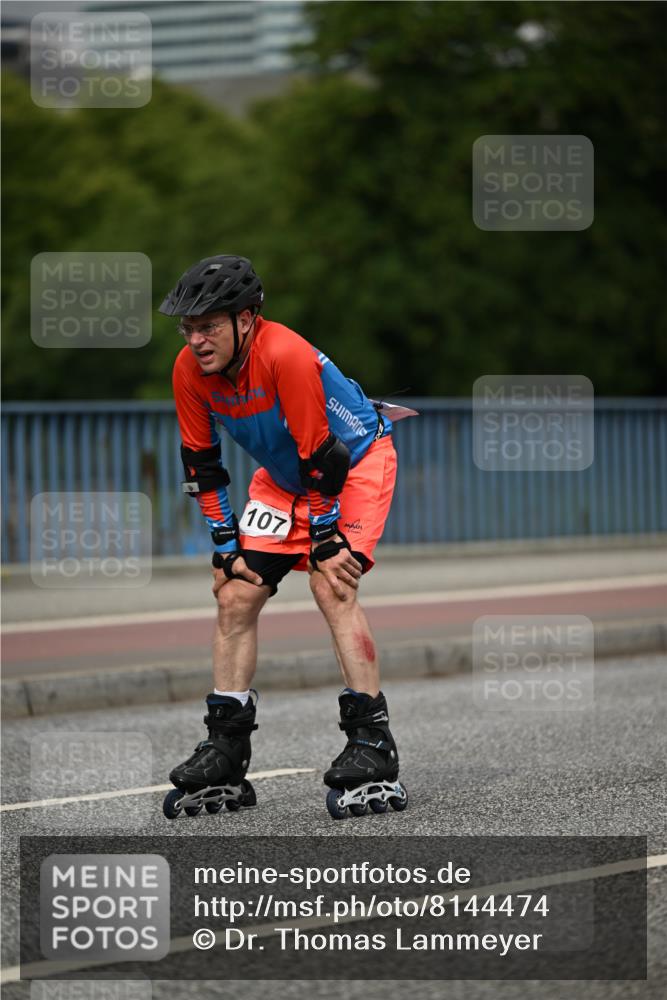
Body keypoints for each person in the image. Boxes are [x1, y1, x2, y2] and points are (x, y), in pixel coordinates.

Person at [158, 254, 408, 820]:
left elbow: (325, 458)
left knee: (331, 583)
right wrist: (224, 543)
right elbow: (202, 465)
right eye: (189, 328)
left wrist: (325, 535)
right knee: (235, 591)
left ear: (246, 319)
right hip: (285, 476)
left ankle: (372, 745)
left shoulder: (286, 354)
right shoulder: (188, 370)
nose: (197, 340)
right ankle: (226, 747)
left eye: (209, 326)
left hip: (355, 462)